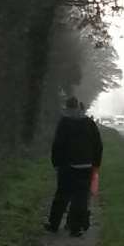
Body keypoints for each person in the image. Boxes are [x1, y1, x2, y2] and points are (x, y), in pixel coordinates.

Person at [45, 97, 103, 237]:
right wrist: (96, 163)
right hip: (86, 165)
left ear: (67, 107)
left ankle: (54, 224)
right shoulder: (89, 122)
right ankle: (75, 228)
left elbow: (57, 145)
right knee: (81, 197)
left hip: (67, 166)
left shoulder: (64, 122)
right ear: (78, 107)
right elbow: (98, 145)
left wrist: (56, 163)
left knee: (62, 195)